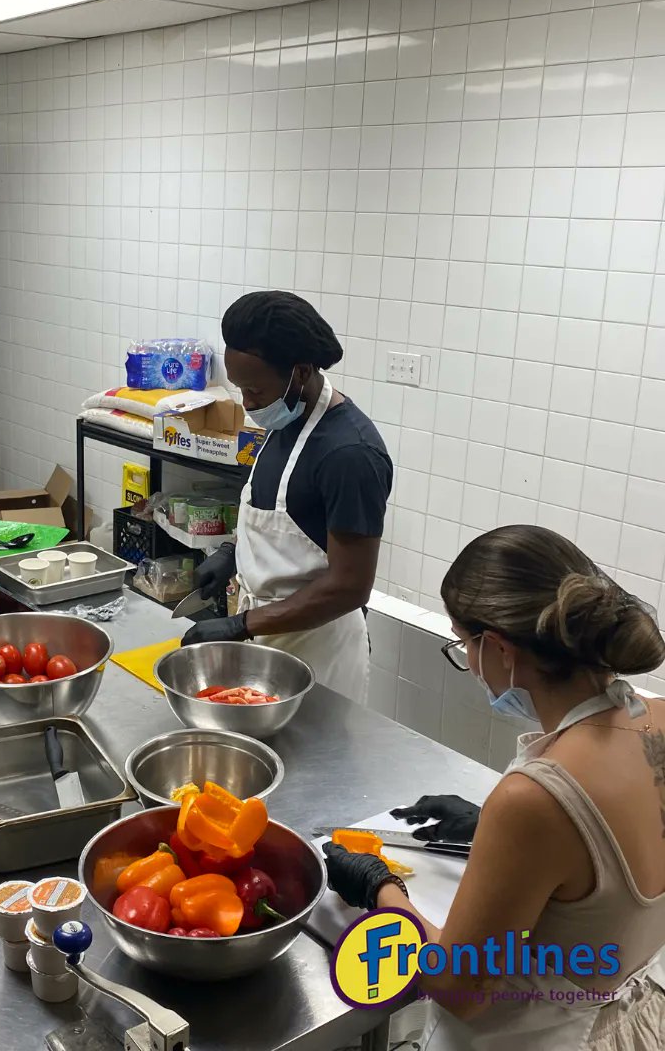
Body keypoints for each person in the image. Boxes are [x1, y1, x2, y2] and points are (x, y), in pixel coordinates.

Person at [324, 525, 665, 1049]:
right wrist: (495, 830)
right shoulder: (659, 720)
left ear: (500, 648)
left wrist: (380, 889)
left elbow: (458, 986)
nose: (470, 665)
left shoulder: (539, 797)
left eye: (464, 647)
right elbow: (608, 869)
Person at [182, 291, 392, 704]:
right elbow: (288, 521)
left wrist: (242, 625)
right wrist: (232, 552)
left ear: (299, 373)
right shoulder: (285, 417)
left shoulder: (350, 455)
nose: (247, 403)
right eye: (241, 389)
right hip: (267, 636)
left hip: (318, 653)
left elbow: (350, 586)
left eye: (255, 391)